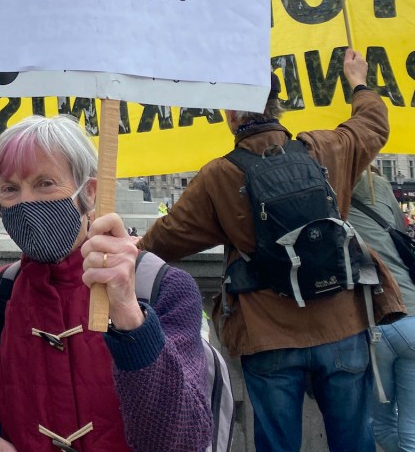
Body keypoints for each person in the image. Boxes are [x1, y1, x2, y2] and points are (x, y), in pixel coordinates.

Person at [138, 48, 405, 452]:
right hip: (342, 326)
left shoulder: (219, 176)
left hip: (268, 335)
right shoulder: (327, 147)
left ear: (232, 115)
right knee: (355, 442)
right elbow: (372, 123)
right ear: (278, 105)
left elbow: (162, 243)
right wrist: (358, 81)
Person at [0, 114, 212, 452]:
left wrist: (130, 316)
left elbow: (183, 440)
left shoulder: (164, 288)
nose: (26, 202)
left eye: (45, 183)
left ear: (90, 192)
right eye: (10, 189)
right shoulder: (6, 289)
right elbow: (2, 393)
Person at [348, 167, 415, 451]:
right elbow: (399, 234)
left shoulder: (326, 192)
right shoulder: (379, 184)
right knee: (411, 426)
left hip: (370, 320)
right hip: (410, 311)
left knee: (381, 424)